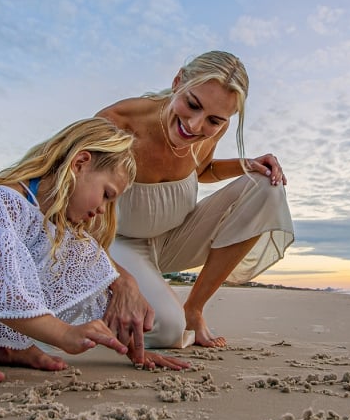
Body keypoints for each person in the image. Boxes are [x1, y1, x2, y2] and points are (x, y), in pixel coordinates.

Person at [0, 117, 188, 385]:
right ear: (80, 164)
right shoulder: (6, 199)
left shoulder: (54, 224)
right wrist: (64, 334)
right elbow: (0, 284)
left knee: (68, 254)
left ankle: (7, 345)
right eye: (106, 195)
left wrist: (133, 350)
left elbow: (92, 282)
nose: (103, 209)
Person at [97, 51, 294, 361]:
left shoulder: (213, 128)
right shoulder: (117, 123)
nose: (194, 124)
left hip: (175, 236)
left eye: (214, 120)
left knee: (266, 188)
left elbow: (202, 170)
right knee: (166, 330)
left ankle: (194, 308)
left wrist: (248, 164)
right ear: (177, 81)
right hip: (120, 245)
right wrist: (119, 279)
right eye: (192, 104)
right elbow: (70, 210)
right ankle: (93, 312)